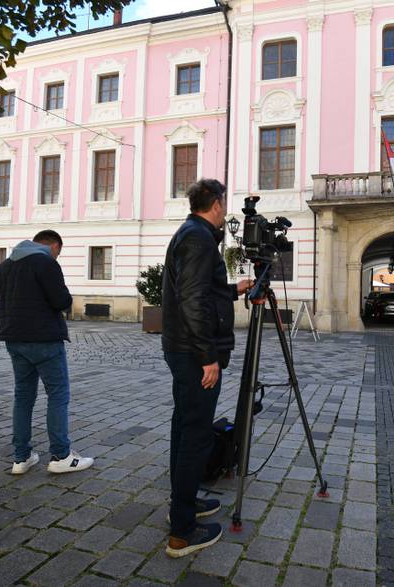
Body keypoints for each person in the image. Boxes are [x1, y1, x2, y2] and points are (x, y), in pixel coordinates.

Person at [161, 178, 253, 558]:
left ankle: (182, 504)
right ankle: (182, 532)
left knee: (185, 427)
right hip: (193, 353)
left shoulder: (192, 233)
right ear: (215, 203)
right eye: (224, 203)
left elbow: (200, 290)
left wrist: (234, 289)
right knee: (195, 434)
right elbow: (192, 300)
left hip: (182, 348)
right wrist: (208, 356)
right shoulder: (199, 238)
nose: (226, 210)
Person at [0, 230, 93, 475]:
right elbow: (61, 301)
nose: (57, 257)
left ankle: (21, 457)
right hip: (45, 339)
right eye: (58, 253)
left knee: (23, 396)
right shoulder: (45, 261)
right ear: (53, 246)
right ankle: (61, 455)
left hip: (14, 338)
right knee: (58, 394)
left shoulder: (4, 266)